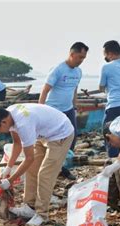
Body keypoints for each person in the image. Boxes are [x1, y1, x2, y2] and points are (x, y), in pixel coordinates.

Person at [0, 104, 74, 226]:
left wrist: (10, 180)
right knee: (31, 169)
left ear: (3, 122)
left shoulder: (23, 124)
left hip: (60, 134)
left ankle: (42, 214)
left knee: (45, 174)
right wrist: (8, 167)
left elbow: (29, 158)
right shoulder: (9, 114)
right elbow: (17, 144)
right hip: (43, 134)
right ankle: (30, 207)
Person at [38, 42, 89, 180]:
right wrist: (40, 110)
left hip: (68, 110)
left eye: (84, 58)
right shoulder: (58, 69)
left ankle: (61, 165)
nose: (81, 60)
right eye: (80, 57)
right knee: (52, 140)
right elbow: (45, 90)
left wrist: (75, 106)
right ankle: (54, 167)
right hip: (53, 111)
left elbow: (74, 89)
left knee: (72, 137)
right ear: (72, 54)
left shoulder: (78, 72)